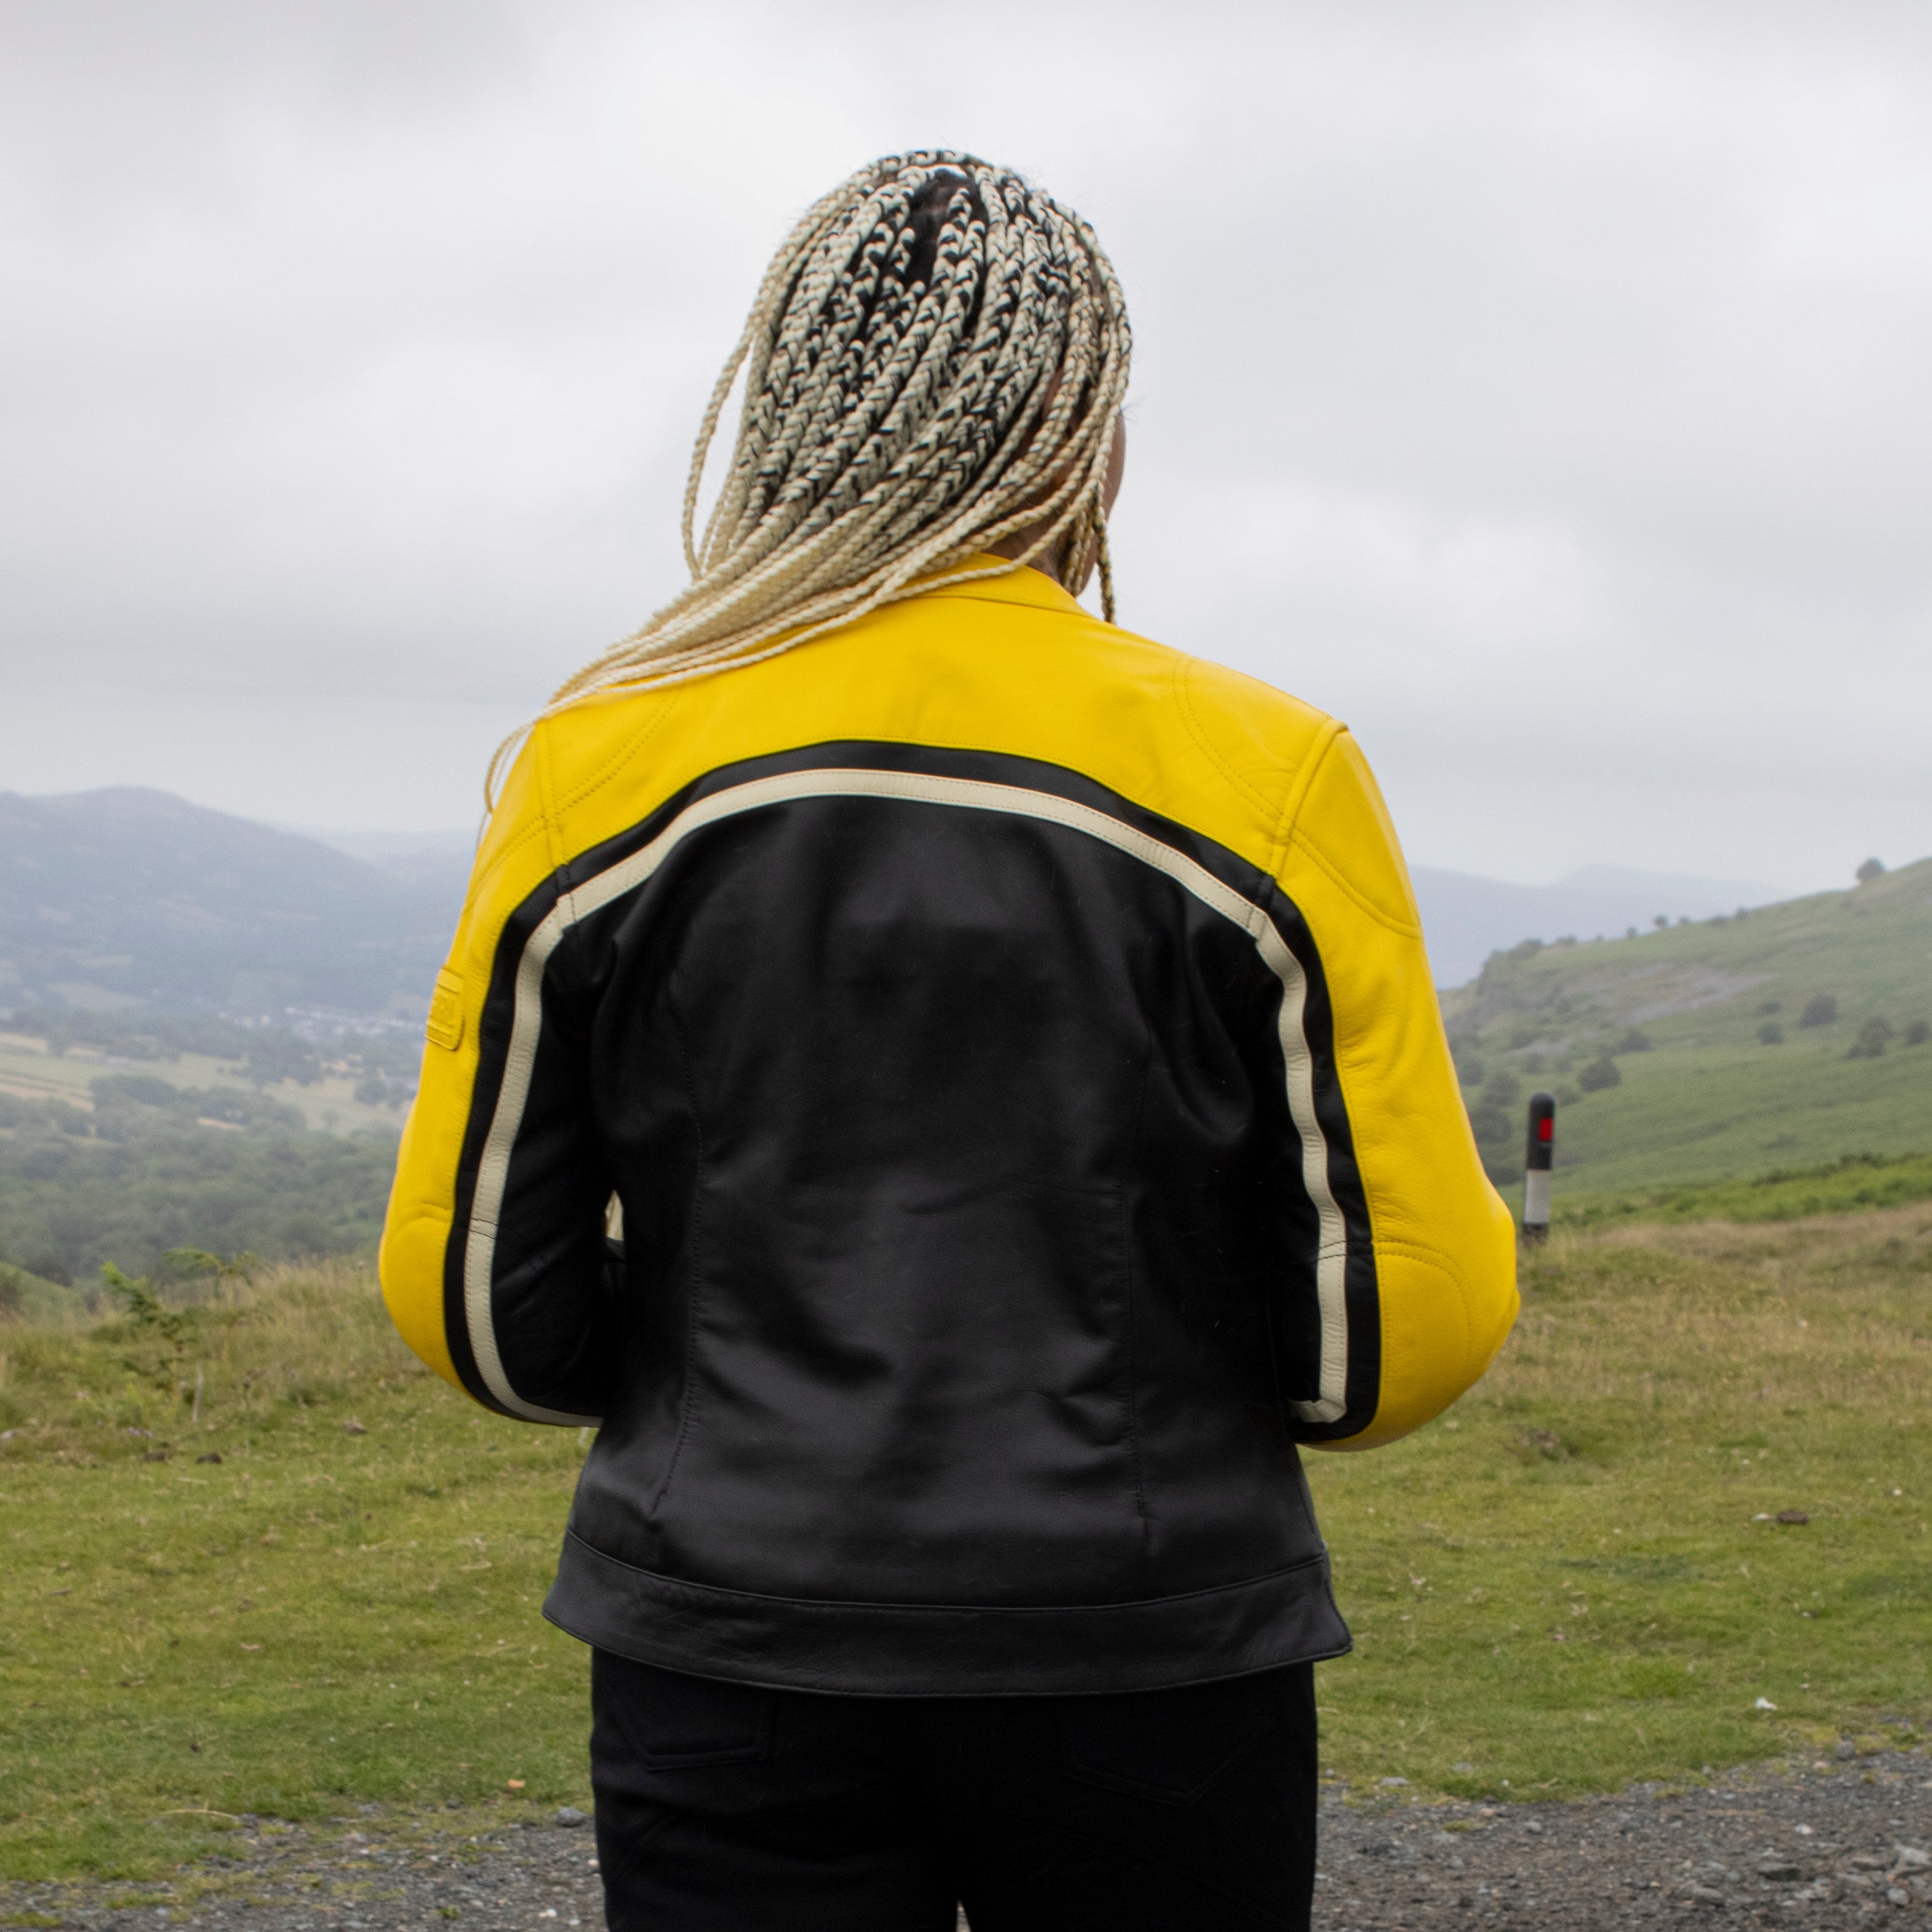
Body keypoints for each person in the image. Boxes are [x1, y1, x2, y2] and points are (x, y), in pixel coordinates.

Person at [380, 149, 1518, 1932]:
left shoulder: (595, 765)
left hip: (728, 1643)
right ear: (1083, 433)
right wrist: (1178, 1395)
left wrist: (709, 1390)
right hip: (1152, 1649)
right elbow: (1393, 1339)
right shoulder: (1268, 774)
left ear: (785, 412)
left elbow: (483, 1314)